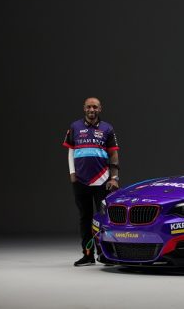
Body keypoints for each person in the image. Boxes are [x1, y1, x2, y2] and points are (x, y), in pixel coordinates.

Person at [63, 97, 120, 266]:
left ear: (100, 109)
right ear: (84, 108)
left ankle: (106, 255)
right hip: (81, 181)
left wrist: (114, 178)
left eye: (95, 107)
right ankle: (88, 254)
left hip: (103, 180)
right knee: (85, 218)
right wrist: (72, 172)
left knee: (105, 219)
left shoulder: (107, 128)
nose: (91, 110)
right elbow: (70, 151)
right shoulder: (74, 127)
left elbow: (114, 154)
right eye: (89, 107)